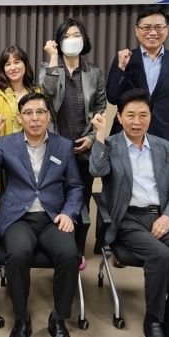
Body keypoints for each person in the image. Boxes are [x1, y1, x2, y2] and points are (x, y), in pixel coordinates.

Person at [89, 89, 169, 337]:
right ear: (120, 117)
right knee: (161, 256)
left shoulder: (163, 147)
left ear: (151, 116)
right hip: (128, 220)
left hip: (163, 217)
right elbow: (96, 170)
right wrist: (99, 136)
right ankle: (153, 322)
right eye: (130, 115)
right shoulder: (111, 144)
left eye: (143, 115)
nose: (136, 122)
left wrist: (168, 216)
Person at [0, 92, 84, 337]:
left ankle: (58, 319)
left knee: (69, 255)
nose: (35, 118)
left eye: (40, 112)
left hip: (53, 217)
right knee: (16, 255)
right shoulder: (8, 143)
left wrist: (69, 213)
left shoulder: (63, 145)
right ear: (19, 118)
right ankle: (22, 320)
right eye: (28, 113)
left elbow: (75, 187)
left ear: (48, 116)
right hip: (19, 217)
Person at [105, 5, 169, 163]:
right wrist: (121, 68)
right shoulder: (125, 58)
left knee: (160, 177)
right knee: (122, 177)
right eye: (146, 27)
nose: (152, 33)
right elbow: (112, 97)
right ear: (136, 30)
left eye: (158, 27)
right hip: (126, 134)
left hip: (163, 135)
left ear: (167, 30)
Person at [39, 17, 106, 211]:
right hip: (55, 145)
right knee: (54, 199)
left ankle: (79, 232)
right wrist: (53, 58)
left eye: (76, 35)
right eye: (66, 36)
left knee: (82, 200)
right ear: (59, 42)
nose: (72, 39)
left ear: (84, 39)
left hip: (84, 148)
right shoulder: (48, 69)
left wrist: (92, 138)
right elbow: (48, 91)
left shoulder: (94, 72)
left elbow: (100, 108)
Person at [0, 45, 38, 193]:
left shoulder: (36, 92)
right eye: (7, 64)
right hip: (4, 156)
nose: (12, 67)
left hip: (32, 156)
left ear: (25, 64)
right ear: (3, 69)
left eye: (17, 62)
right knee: (3, 197)